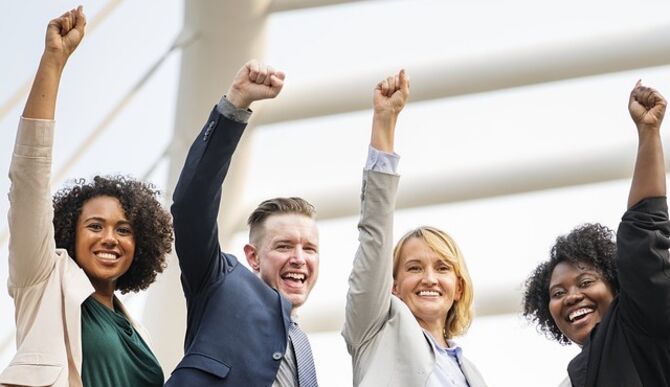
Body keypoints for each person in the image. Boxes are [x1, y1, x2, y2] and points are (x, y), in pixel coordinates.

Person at [0, 7, 173, 387]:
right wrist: (53, 62)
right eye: (95, 226)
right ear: (69, 233)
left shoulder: (135, 328)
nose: (110, 238)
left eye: (124, 230)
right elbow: (29, 178)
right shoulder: (42, 280)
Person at [165, 60, 320, 387]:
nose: (299, 258)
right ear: (252, 256)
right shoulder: (219, 282)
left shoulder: (302, 347)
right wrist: (235, 104)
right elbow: (192, 206)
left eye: (309, 248)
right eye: (283, 246)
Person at [342, 70, 487, 387]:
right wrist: (385, 121)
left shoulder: (470, 372)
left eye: (442, 268)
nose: (429, 278)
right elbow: (374, 235)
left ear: (458, 287)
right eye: (414, 267)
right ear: (392, 285)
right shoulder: (376, 333)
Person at [523, 81, 670, 387]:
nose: (572, 297)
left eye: (586, 282)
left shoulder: (642, 323)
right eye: (557, 293)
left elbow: (644, 228)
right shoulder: (575, 378)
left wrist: (648, 133)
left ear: (617, 283)